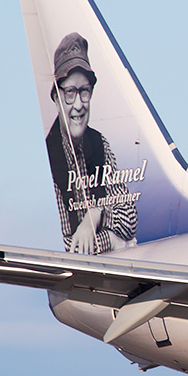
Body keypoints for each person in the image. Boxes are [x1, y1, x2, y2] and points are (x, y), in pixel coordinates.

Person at [44, 32, 138, 253]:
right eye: (69, 93)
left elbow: (130, 218)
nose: (78, 104)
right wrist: (114, 241)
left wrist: (94, 215)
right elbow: (70, 247)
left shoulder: (100, 144)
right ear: (57, 99)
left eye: (84, 92)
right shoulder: (50, 155)